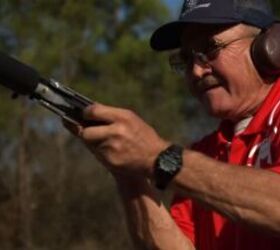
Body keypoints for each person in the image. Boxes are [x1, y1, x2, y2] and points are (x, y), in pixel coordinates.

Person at [64, 0, 280, 249]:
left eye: (211, 48)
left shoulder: (188, 164)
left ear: (270, 47)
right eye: (186, 58)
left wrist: (159, 156)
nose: (197, 72)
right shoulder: (204, 154)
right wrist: (127, 168)